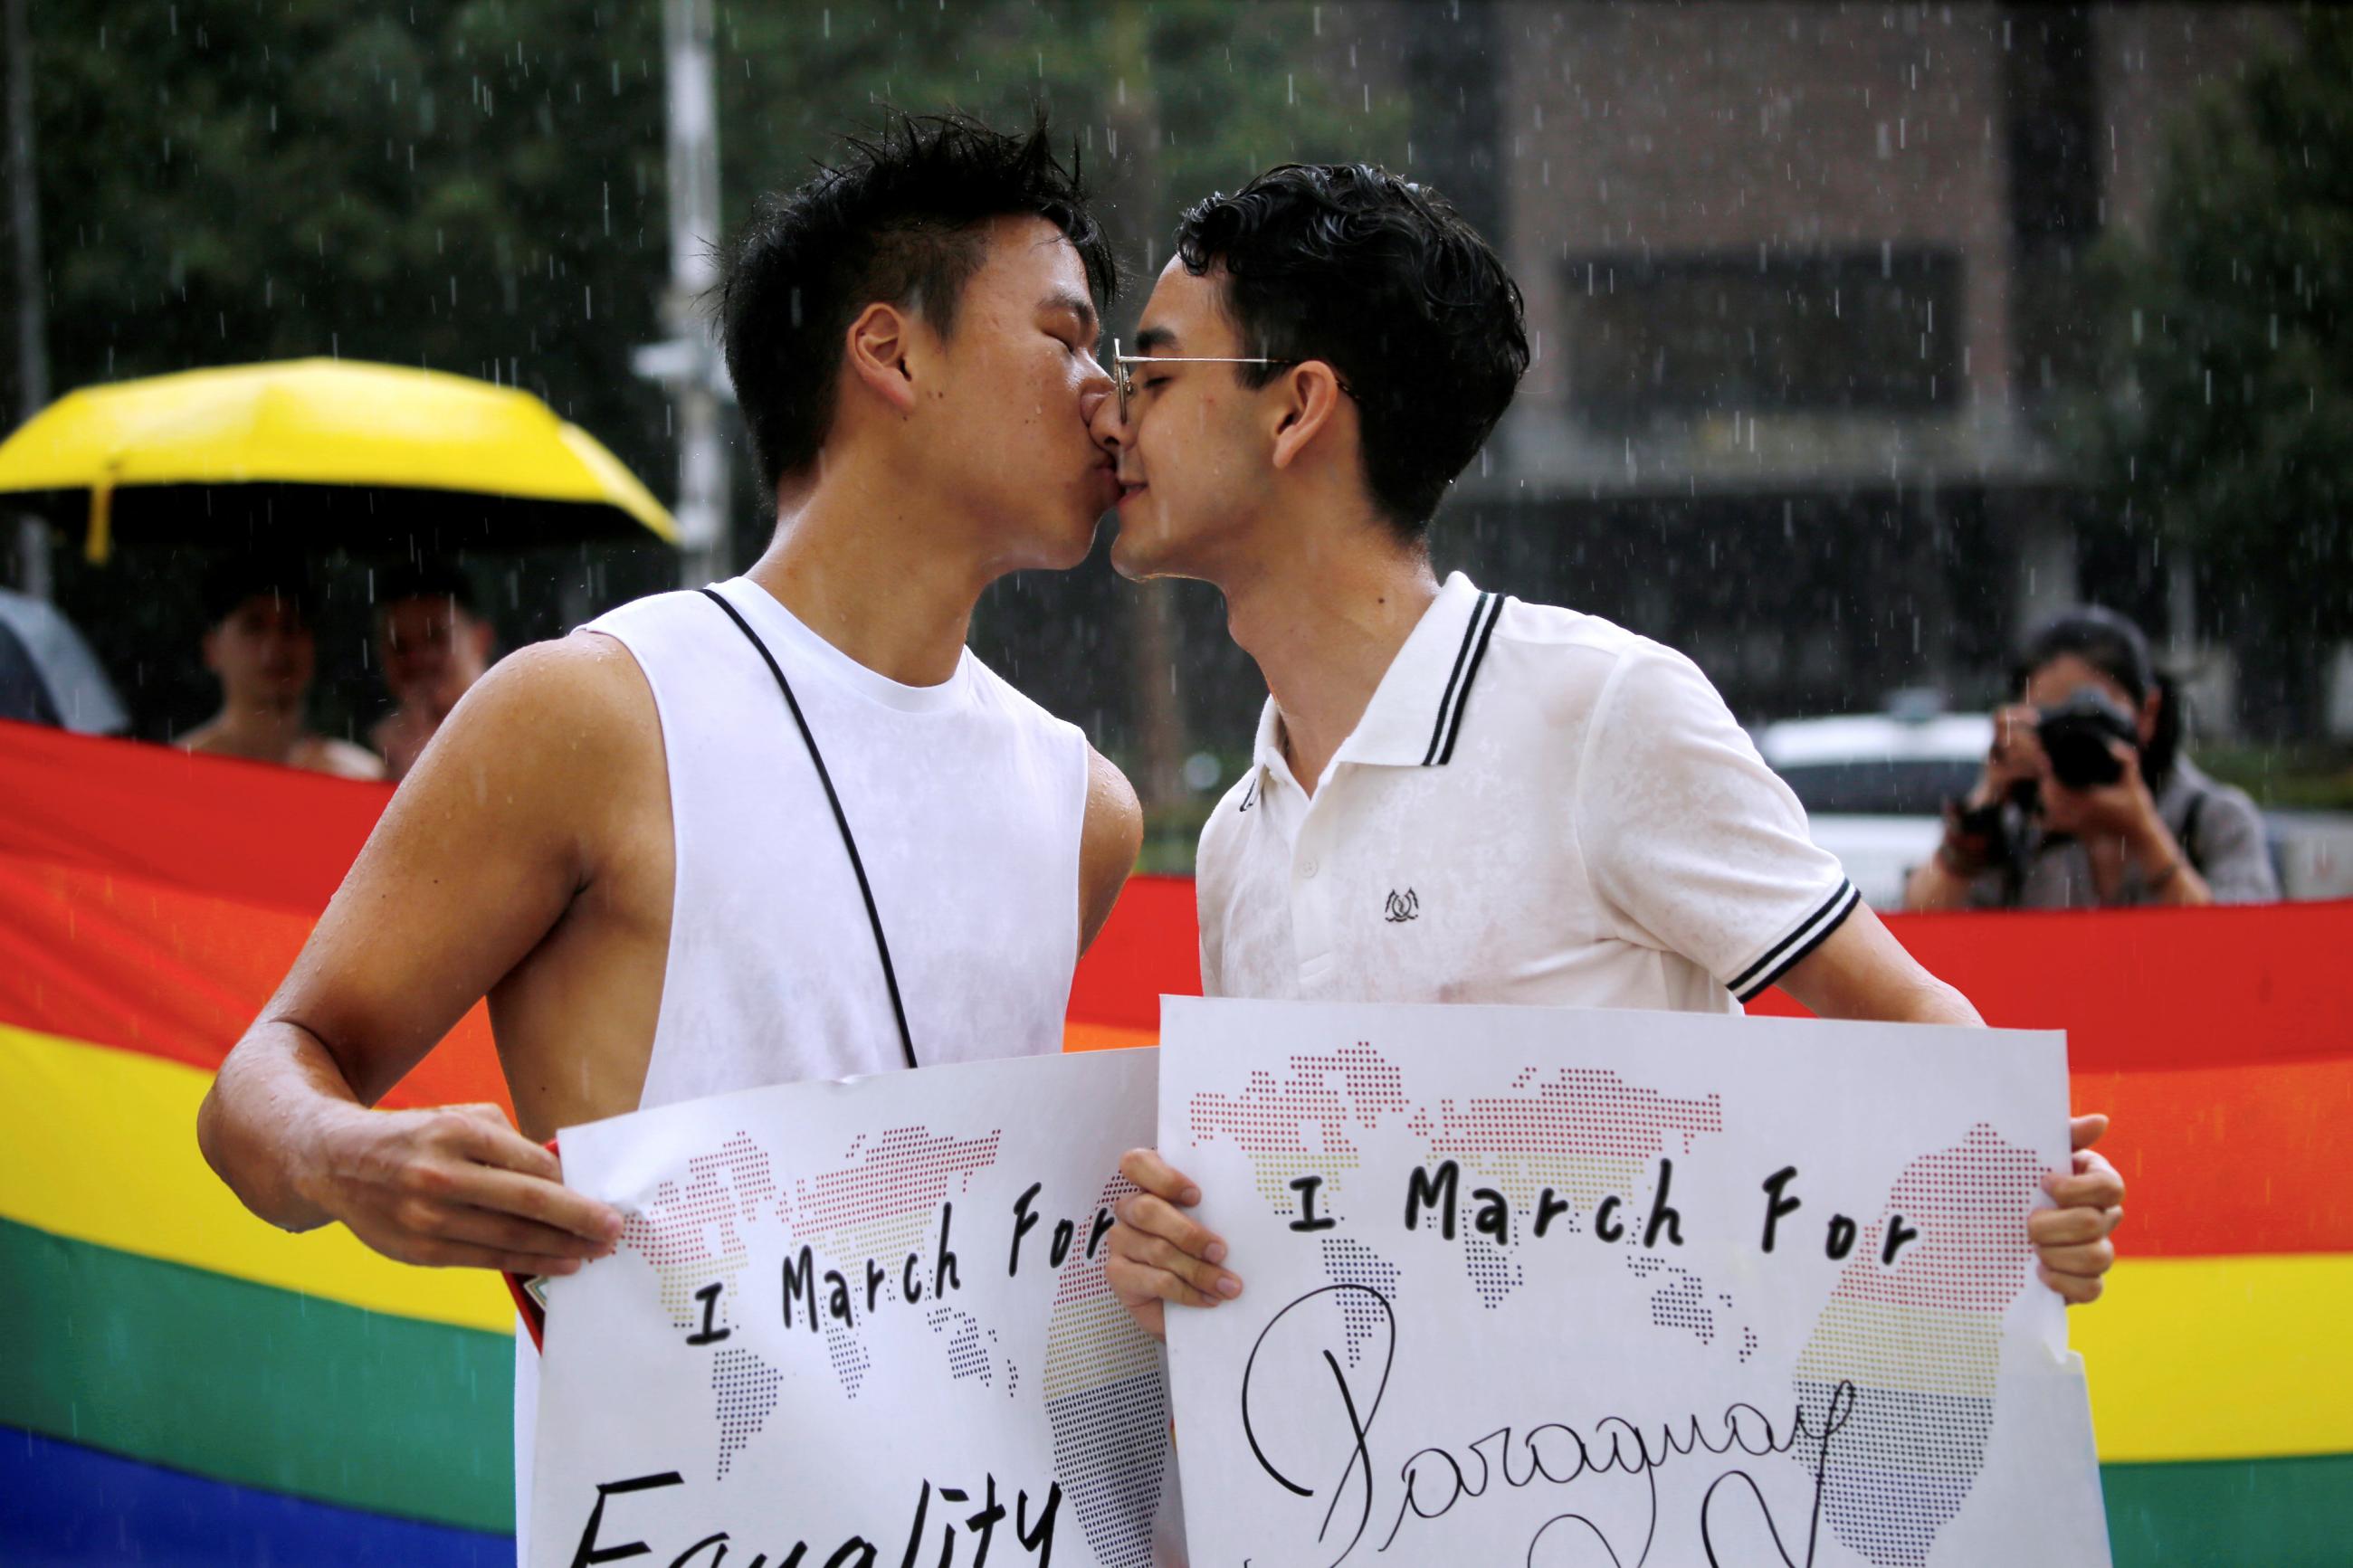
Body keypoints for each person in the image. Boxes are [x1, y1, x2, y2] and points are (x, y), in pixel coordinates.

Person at [196, 113, 1142, 1556]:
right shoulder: (591, 712)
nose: (1109, 397)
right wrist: (347, 1159)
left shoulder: (1087, 805)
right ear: (889, 353)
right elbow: (263, 1078)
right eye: (1070, 339)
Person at [1092, 165, 2125, 1345]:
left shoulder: (1598, 708)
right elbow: (1297, 1236)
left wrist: (2029, 1187)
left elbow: (1905, 1019)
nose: (1116, 416)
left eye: (1157, 373)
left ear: (1297, 408)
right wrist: (1177, 1258)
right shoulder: (1238, 840)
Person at [1905, 605, 2278, 910]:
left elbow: (2245, 950)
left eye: (2092, 717)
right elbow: (1920, 933)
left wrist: (2144, 833)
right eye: (2053, 720)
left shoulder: (2213, 818)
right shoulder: (2016, 822)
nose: (2074, 737)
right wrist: (1986, 802)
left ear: (2147, 714)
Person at [180, 556, 386, 779]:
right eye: (254, 627)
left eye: (291, 626)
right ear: (213, 649)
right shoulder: (179, 773)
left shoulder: (359, 776)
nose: (275, 648)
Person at [369, 558, 496, 780]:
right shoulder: (363, 761)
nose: (418, 659)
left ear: (480, 640)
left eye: (437, 638)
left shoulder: (521, 732)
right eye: (400, 646)